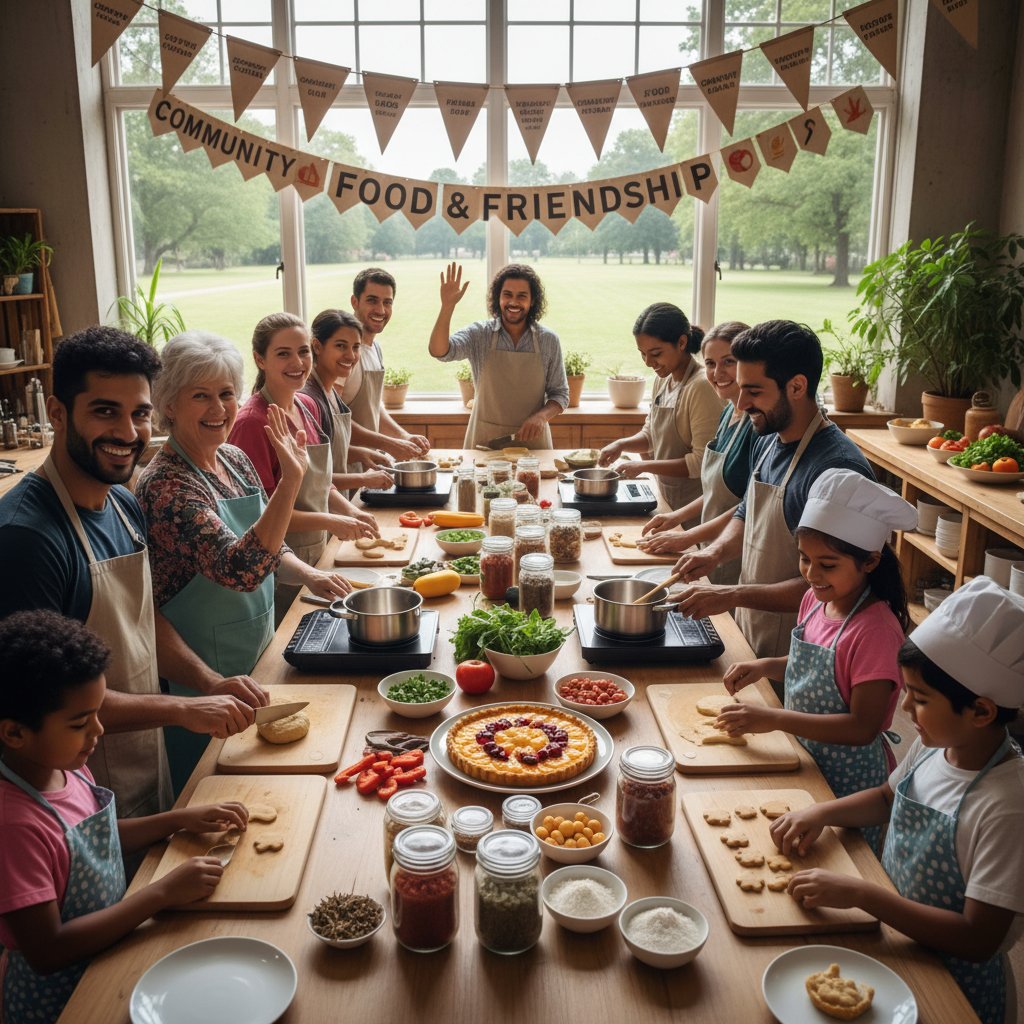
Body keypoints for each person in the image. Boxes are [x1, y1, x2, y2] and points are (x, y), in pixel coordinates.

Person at [0, 326, 266, 821]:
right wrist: (183, 710)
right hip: (68, 797)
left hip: (144, 757)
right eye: (105, 411)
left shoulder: (122, 502)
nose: (127, 433)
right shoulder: (27, 539)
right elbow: (44, 702)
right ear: (58, 413)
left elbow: (142, 622)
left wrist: (208, 683)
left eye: (139, 413)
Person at [771, 578, 1024, 1024]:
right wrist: (821, 813)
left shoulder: (1006, 806)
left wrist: (864, 893)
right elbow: (888, 798)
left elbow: (978, 937)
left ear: (982, 712)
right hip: (900, 945)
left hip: (955, 983)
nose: (905, 709)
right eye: (907, 691)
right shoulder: (935, 745)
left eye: (920, 698)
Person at [0, 610, 244, 1024]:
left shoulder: (66, 766)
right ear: (14, 734)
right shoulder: (13, 826)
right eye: (80, 722)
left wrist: (177, 820)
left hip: (109, 955)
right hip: (64, 999)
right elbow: (48, 950)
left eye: (97, 713)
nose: (98, 731)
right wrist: (160, 893)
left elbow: (94, 841)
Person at [136, 331, 354, 790]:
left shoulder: (233, 459)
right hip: (202, 683)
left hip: (257, 657)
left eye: (226, 393)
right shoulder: (168, 487)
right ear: (168, 404)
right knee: (216, 796)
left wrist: (307, 571)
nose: (218, 409)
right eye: (200, 396)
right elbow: (242, 568)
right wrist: (291, 480)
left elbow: (267, 540)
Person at [716, 470, 916, 850]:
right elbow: (818, 664)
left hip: (848, 784)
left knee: (838, 868)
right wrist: (766, 666)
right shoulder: (816, 598)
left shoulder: (874, 630)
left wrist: (773, 719)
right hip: (805, 756)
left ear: (870, 561)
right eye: (805, 560)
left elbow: (862, 726)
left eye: (828, 565)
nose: (811, 574)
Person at [668, 320, 874, 664]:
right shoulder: (768, 438)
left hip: (801, 646)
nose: (742, 402)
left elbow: (829, 585)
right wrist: (714, 554)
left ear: (796, 386)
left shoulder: (836, 470)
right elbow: (746, 512)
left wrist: (731, 593)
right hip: (753, 624)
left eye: (754, 391)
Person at [228, 312, 377, 621]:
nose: (297, 362)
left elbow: (320, 482)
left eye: (303, 351)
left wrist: (349, 511)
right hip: (280, 567)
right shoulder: (252, 423)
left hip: (317, 552)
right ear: (260, 359)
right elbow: (262, 516)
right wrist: (330, 521)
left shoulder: (305, 405)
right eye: (283, 354)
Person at [633, 321, 754, 587]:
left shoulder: (758, 427)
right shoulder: (727, 415)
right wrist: (676, 518)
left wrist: (687, 536)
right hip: (708, 543)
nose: (717, 372)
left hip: (735, 549)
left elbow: (749, 506)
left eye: (728, 362)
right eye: (710, 363)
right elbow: (715, 492)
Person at [597, 303, 723, 513]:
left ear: (682, 342)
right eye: (642, 353)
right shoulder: (662, 380)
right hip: (666, 498)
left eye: (655, 353)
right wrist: (621, 444)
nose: (648, 362)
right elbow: (652, 435)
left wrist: (644, 466)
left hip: (695, 506)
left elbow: (702, 462)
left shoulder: (701, 386)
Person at [429, 261, 569, 449]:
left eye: (522, 296)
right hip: (485, 442)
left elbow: (560, 394)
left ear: (532, 300)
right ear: (498, 298)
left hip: (533, 444)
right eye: (507, 295)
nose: (513, 302)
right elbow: (440, 351)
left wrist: (541, 417)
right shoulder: (480, 334)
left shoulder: (548, 341)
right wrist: (447, 306)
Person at [300, 309, 394, 495]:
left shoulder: (330, 392)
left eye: (356, 347)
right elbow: (309, 475)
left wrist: (360, 454)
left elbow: (328, 451)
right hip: (320, 512)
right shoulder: (308, 400)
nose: (350, 356)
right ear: (317, 347)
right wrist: (363, 479)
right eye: (341, 346)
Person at [343, 268, 429, 469]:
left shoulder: (375, 348)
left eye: (387, 302)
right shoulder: (345, 354)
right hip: (345, 466)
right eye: (372, 300)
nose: (381, 310)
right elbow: (333, 421)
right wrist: (389, 444)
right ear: (355, 302)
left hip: (370, 465)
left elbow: (374, 408)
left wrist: (404, 437)